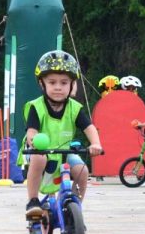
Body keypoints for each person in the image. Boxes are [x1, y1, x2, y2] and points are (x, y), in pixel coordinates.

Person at [22, 50, 102, 219]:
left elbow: (89, 128)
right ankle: (33, 201)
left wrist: (95, 144)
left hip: (64, 152)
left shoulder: (74, 108)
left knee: (83, 170)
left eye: (64, 82)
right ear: (42, 84)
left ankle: (74, 207)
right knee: (40, 157)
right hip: (39, 151)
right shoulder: (37, 107)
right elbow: (31, 132)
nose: (58, 87)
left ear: (72, 85)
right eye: (52, 82)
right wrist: (34, 141)